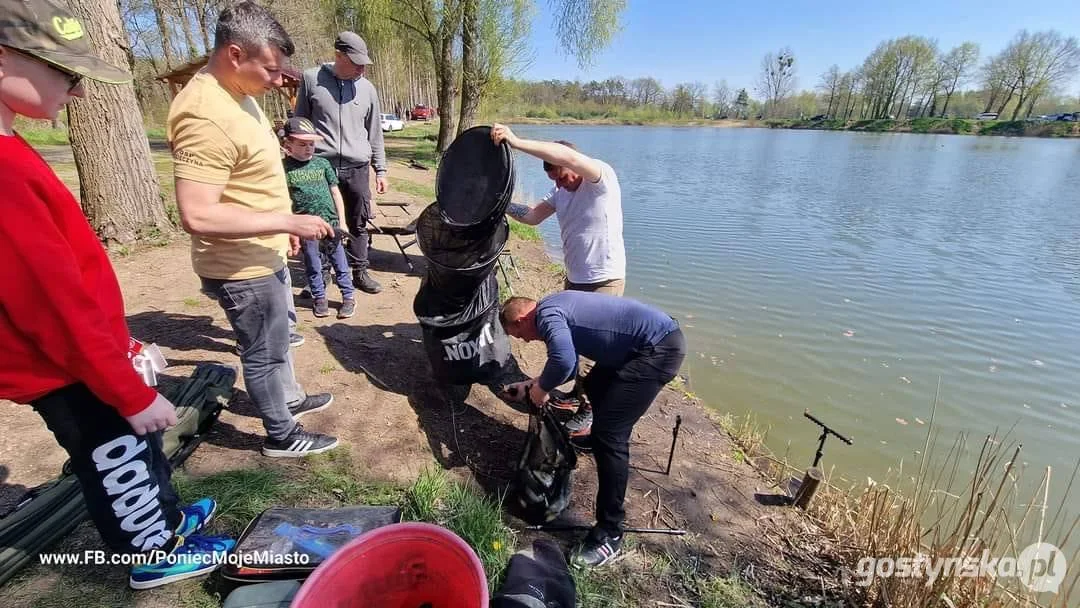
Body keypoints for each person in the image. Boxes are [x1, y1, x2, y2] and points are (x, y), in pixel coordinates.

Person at [0, 0, 232, 589]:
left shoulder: (13, 152)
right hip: (64, 368)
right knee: (115, 456)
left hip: (88, 354)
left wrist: (120, 344)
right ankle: (150, 549)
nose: (76, 94)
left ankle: (170, 517)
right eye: (67, 74)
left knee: (140, 436)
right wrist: (124, 389)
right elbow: (51, 305)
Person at [167, 1, 337, 458]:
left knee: (280, 340)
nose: (277, 80)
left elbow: (248, 180)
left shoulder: (238, 93)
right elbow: (198, 214)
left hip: (265, 250)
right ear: (235, 54)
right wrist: (286, 219)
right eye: (271, 69)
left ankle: (291, 399)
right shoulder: (204, 114)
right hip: (241, 266)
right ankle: (281, 436)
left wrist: (282, 228)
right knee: (262, 352)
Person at [500, 293, 686, 568]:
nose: (527, 340)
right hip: (641, 345)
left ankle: (610, 532)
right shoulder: (554, 307)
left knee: (609, 435)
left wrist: (541, 390)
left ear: (521, 319)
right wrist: (532, 385)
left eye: (520, 335)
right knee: (595, 387)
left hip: (657, 350)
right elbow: (569, 366)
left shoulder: (547, 316)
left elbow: (562, 362)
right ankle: (592, 442)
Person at [491, 124, 628, 437]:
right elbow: (532, 216)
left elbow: (566, 155)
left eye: (561, 175)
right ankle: (577, 396)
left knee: (595, 352)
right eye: (552, 178)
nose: (560, 183)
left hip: (604, 278)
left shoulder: (599, 177)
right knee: (574, 345)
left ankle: (591, 414)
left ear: (573, 162)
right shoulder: (559, 192)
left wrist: (516, 141)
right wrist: (503, 203)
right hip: (575, 278)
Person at [294, 31, 388, 295]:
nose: (361, 68)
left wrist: (380, 169)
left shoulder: (368, 89)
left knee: (358, 222)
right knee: (321, 223)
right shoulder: (312, 79)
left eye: (363, 63)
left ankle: (359, 271)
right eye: (356, 62)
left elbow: (375, 133)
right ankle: (322, 276)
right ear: (338, 56)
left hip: (357, 168)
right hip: (320, 167)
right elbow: (301, 124)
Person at [281, 117, 356, 319]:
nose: (308, 149)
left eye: (311, 144)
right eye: (302, 144)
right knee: (313, 265)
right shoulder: (284, 169)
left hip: (331, 225)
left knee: (340, 263)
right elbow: (284, 200)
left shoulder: (323, 164)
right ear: (287, 144)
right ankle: (319, 298)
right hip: (306, 229)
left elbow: (335, 193)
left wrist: (342, 222)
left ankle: (348, 297)